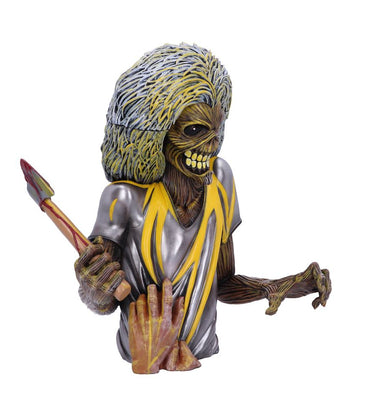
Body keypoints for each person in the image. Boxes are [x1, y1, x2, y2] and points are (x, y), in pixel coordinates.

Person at [74, 43, 331, 374]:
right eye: (194, 130)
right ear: (157, 135)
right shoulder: (123, 198)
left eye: (216, 130)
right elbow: (104, 301)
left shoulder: (220, 179)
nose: (212, 145)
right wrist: (92, 288)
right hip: (144, 360)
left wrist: (278, 286)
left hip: (202, 363)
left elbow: (223, 282)